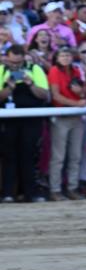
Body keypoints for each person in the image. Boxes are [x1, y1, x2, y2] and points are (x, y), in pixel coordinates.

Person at [0, 43, 50, 203]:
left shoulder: (35, 69)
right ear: (7, 58)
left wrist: (30, 84)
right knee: (9, 156)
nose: (15, 66)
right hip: (8, 120)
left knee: (29, 155)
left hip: (31, 119)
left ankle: (31, 193)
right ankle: (8, 193)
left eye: (18, 63)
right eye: (12, 63)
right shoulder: (1, 70)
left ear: (24, 58)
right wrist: (9, 88)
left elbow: (44, 95)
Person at [47, 45, 86, 200]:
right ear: (57, 58)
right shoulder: (54, 71)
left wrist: (80, 94)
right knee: (58, 156)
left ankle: (72, 188)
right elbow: (56, 96)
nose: (65, 58)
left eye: (68, 55)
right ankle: (55, 189)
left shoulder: (76, 70)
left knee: (75, 155)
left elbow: (83, 92)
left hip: (76, 116)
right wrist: (77, 103)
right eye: (62, 55)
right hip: (62, 116)